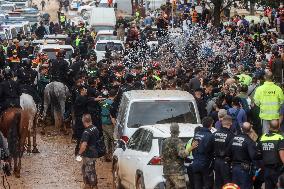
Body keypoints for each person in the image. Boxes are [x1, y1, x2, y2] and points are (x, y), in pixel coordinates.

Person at [161, 123, 198, 189]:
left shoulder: (165, 141)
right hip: (177, 172)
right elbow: (182, 154)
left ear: (170, 130)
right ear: (178, 131)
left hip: (167, 172)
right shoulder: (178, 141)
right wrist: (191, 148)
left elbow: (162, 156)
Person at [227, 122, 258, 189]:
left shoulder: (233, 139)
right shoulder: (249, 141)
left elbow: (228, 153)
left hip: (234, 168)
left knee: (235, 187)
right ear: (250, 130)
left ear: (241, 129)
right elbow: (253, 156)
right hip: (245, 170)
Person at [258, 119, 284, 189]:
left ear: (269, 126)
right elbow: (282, 155)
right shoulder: (280, 138)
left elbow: (258, 155)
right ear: (278, 127)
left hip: (266, 169)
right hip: (277, 170)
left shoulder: (262, 138)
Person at [192, 116, 214, 189]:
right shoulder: (210, 136)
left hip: (195, 163)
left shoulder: (196, 134)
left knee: (197, 185)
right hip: (205, 164)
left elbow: (193, 148)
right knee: (207, 185)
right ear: (211, 125)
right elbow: (211, 150)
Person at [77, 114, 99, 189]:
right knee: (85, 168)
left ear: (83, 121)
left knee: (90, 171)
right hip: (94, 152)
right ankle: (87, 185)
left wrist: (79, 154)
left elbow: (84, 145)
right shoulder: (95, 128)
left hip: (89, 154)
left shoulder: (86, 132)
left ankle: (93, 186)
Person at [213, 115, 235, 189]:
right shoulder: (231, 135)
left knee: (217, 182)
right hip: (226, 162)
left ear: (222, 123)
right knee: (227, 184)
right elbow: (232, 150)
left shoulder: (215, 134)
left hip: (216, 161)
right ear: (231, 123)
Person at [101, 89, 115, 162]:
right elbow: (112, 114)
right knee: (113, 139)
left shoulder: (104, 102)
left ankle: (106, 154)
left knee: (106, 139)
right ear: (115, 96)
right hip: (109, 123)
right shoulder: (112, 103)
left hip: (103, 122)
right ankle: (113, 155)